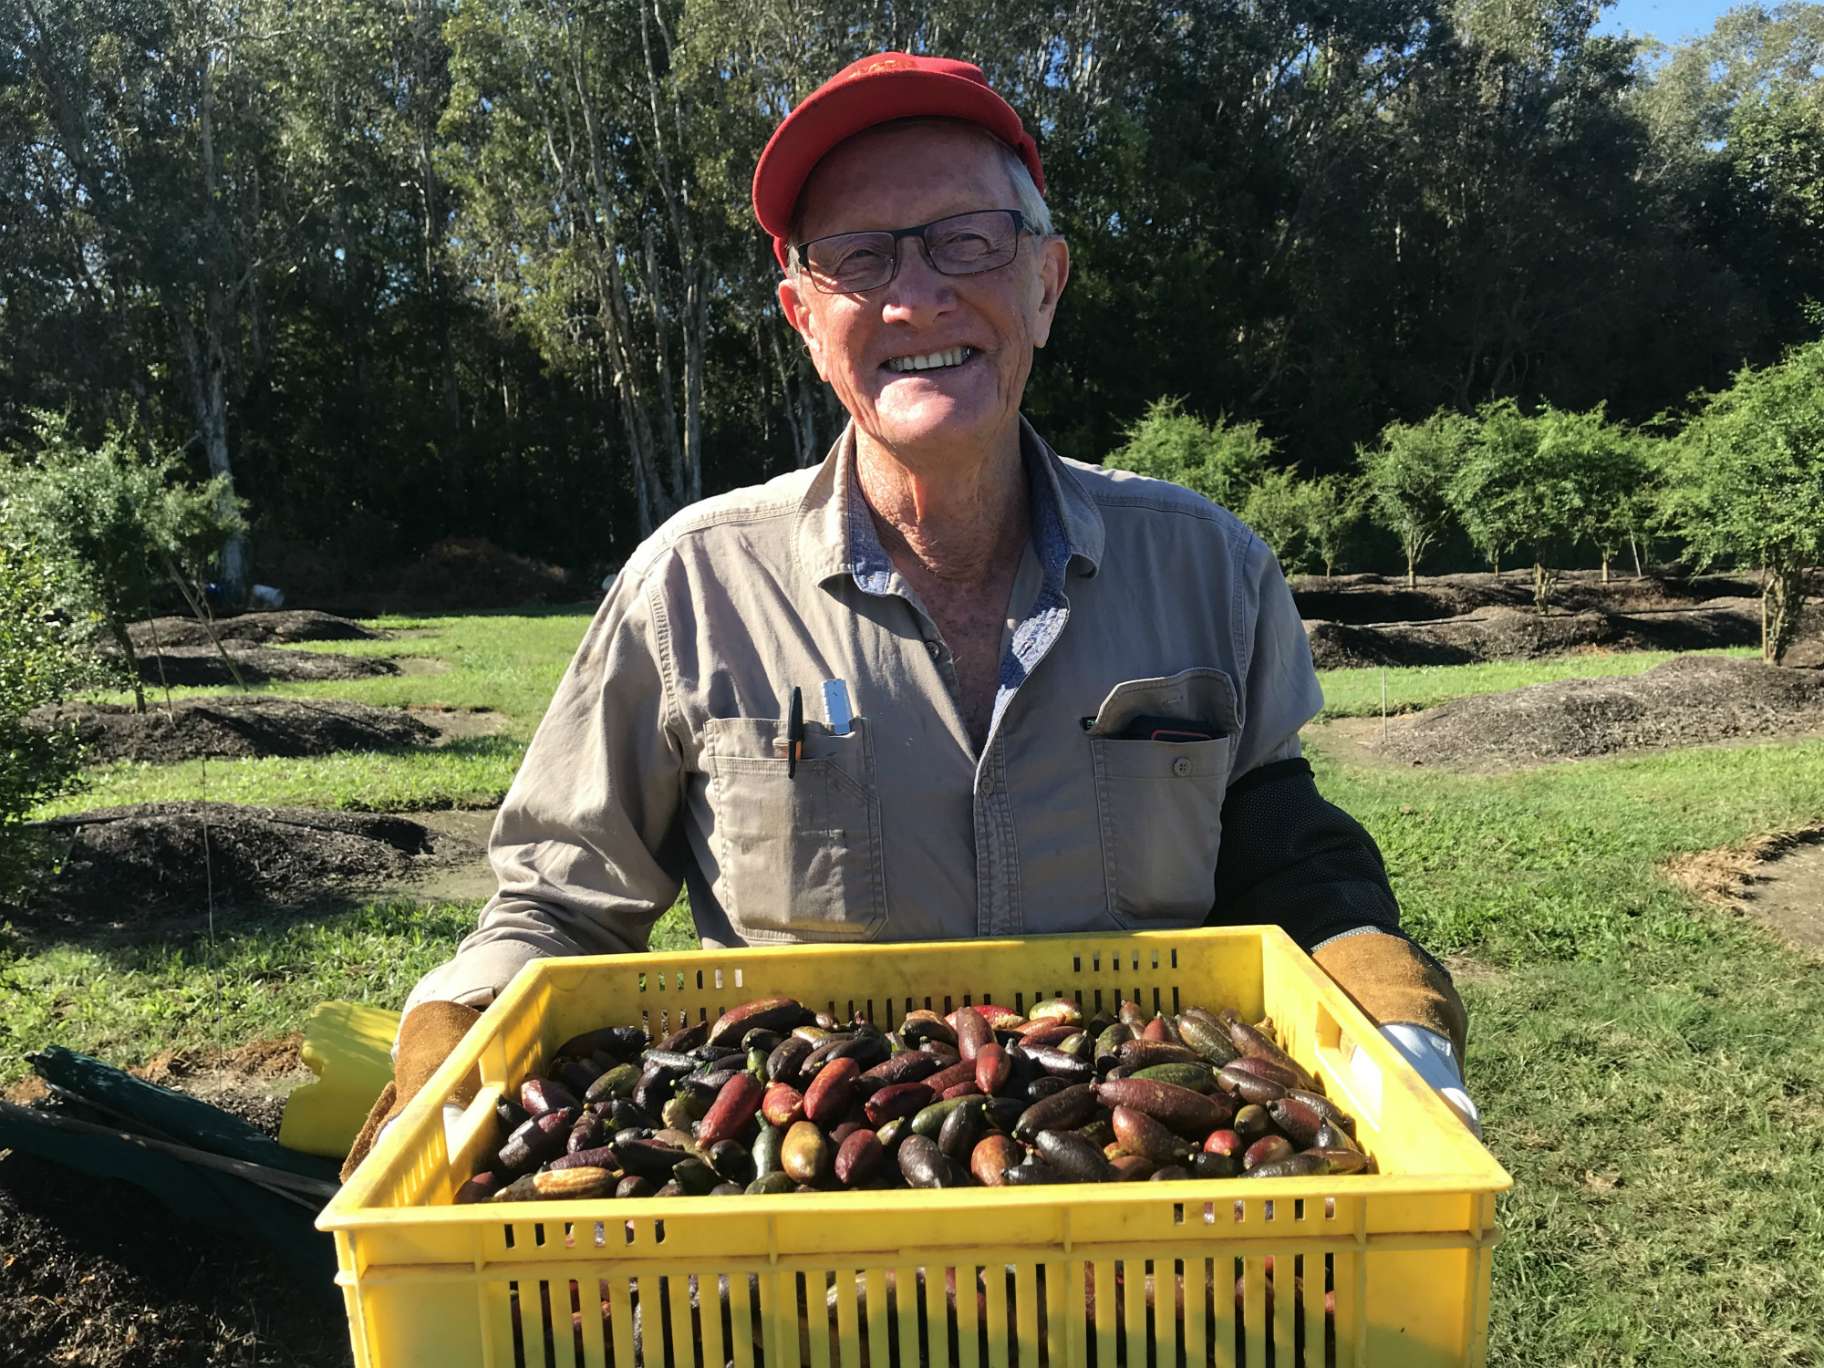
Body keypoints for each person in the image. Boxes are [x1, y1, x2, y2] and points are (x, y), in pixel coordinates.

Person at [344, 53, 1474, 1178]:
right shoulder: (691, 588)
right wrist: (454, 1033)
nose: (917, 293)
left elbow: (1287, 858)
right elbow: (559, 905)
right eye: (857, 256)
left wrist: (1396, 1013)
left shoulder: (1206, 568)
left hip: (1142, 1216)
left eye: (967, 238)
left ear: (1046, 281)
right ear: (801, 315)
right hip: (807, 1232)